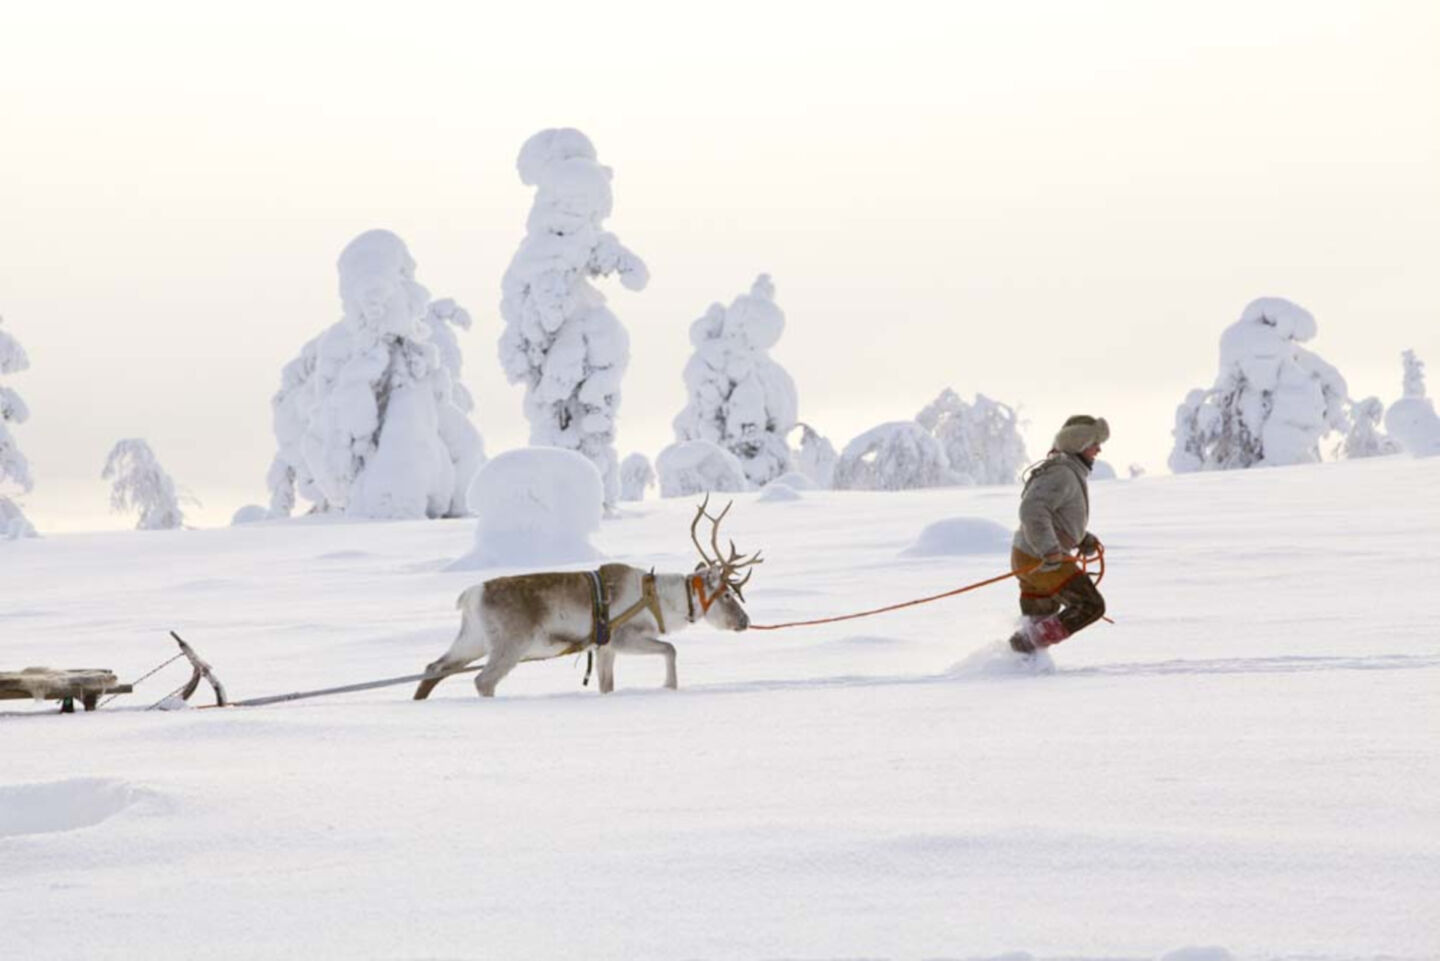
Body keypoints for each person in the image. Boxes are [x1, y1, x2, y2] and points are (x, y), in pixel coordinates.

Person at [1008, 415, 1109, 654]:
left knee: (1040, 623)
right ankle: (1021, 647)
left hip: (1029, 555)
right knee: (1090, 606)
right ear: (1079, 443)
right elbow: (1032, 511)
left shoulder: (1067, 471)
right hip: (1041, 559)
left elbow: (1055, 515)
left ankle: (1014, 661)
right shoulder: (1061, 473)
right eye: (1095, 442)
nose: (1099, 449)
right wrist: (1049, 549)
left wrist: (1081, 538)